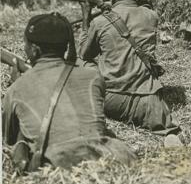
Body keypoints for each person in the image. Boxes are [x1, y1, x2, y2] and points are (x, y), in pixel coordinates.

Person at [2, 13, 136, 173]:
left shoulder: (17, 89)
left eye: (26, 44)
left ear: (35, 49)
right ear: (66, 46)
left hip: (58, 169)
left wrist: (15, 84)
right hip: (103, 160)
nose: (25, 49)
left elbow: (8, 139)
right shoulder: (93, 77)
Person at [79, 0, 179, 135]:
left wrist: (86, 18)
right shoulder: (151, 17)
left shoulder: (101, 21)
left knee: (80, 62)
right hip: (148, 101)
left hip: (111, 100)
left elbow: (85, 54)